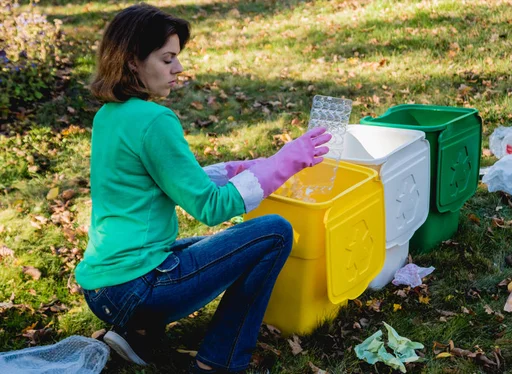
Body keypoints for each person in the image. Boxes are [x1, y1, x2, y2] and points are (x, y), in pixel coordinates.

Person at [74, 4, 332, 373]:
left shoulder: (110, 115)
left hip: (104, 287)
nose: (178, 68)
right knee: (273, 233)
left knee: (209, 247)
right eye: (167, 59)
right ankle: (220, 362)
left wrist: (234, 170)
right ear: (133, 61)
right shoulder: (153, 119)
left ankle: (136, 336)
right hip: (136, 289)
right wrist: (286, 161)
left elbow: (162, 180)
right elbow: (211, 208)